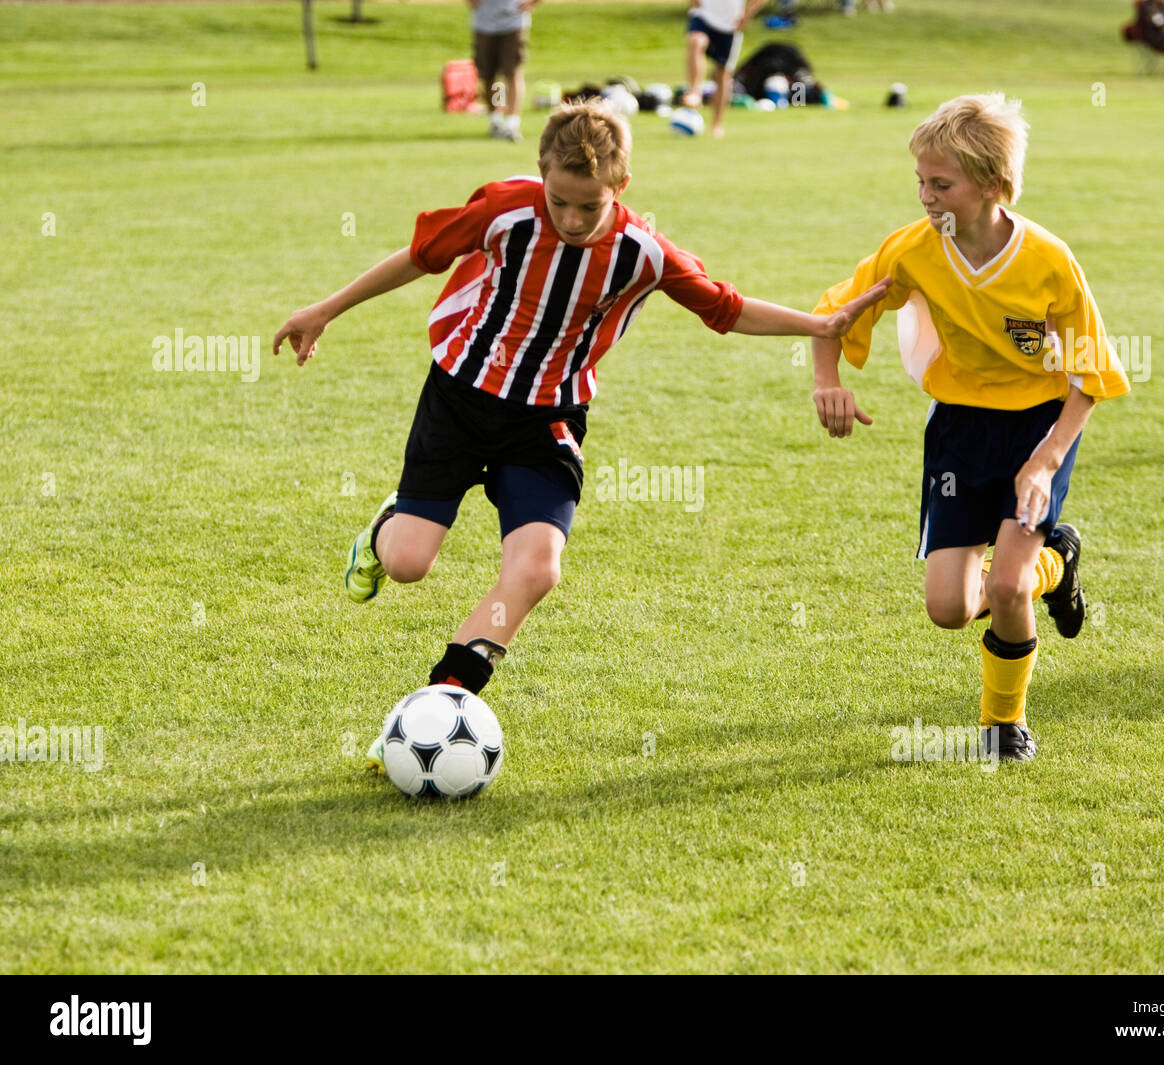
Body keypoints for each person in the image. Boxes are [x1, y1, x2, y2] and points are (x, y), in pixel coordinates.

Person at [273, 100, 890, 774]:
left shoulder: (643, 253)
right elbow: (420, 257)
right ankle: (390, 521)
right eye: (559, 200)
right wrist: (326, 308)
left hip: (549, 419)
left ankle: (440, 703)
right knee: (408, 562)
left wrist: (820, 326)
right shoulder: (505, 210)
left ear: (621, 187)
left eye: (587, 206)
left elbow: (726, 307)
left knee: (537, 569)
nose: (569, 219)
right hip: (460, 396)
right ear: (541, 172)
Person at [810, 94, 1130, 761]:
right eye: (921, 181)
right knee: (949, 608)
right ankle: (1058, 560)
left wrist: (1043, 461)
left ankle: (1001, 724)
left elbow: (1090, 377)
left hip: (1040, 428)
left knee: (1008, 586)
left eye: (941, 184)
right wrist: (827, 381)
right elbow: (835, 315)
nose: (926, 196)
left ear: (993, 186)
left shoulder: (1049, 260)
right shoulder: (913, 252)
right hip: (957, 431)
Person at [682, 0, 765, 137]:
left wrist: (747, 14)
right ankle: (695, 92)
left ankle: (716, 124)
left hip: (730, 24)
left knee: (722, 74)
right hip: (703, 14)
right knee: (696, 41)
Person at [469, 0, 540, 142]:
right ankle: (495, 120)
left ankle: (512, 123)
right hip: (485, 23)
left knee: (512, 73)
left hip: (513, 22)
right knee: (489, 76)